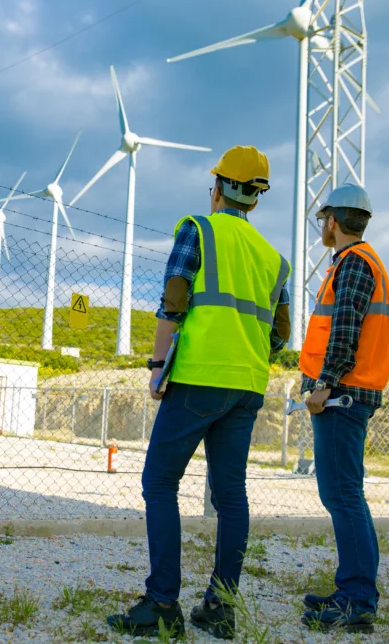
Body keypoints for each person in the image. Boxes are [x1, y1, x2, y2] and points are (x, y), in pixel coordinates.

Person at [107, 146, 290, 639]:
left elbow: (173, 300)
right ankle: (221, 607)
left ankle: (162, 602)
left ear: (218, 187)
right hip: (248, 384)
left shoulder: (199, 230)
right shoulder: (275, 260)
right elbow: (279, 335)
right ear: (255, 198)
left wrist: (156, 367)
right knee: (231, 496)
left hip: (198, 377)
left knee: (160, 483)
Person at [298, 183, 389, 633]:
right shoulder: (364, 262)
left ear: (333, 221)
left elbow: (344, 330)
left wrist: (323, 385)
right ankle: (357, 591)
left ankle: (357, 599)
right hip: (350, 393)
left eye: (323, 219)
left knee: (342, 495)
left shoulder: (354, 264)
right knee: (347, 494)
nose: (322, 226)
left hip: (342, 396)